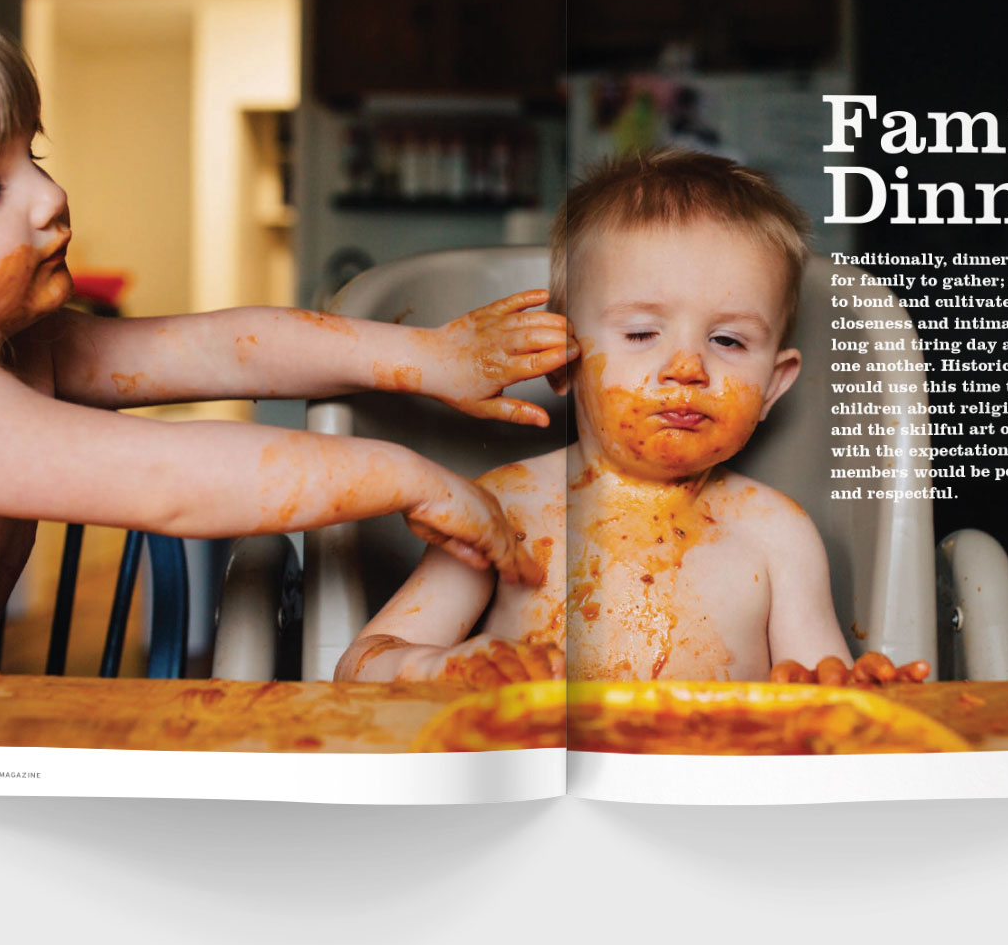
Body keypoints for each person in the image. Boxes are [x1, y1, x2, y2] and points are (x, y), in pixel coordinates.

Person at [0, 0, 575, 673]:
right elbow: (169, 481)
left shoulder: (20, 349)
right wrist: (413, 479)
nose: (48, 194)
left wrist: (429, 356)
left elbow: (223, 347)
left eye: (34, 154)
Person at [335, 148, 927, 687]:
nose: (687, 367)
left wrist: (846, 690)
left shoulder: (778, 535)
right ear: (563, 362)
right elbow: (360, 665)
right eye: (642, 332)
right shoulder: (504, 510)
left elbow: (820, 690)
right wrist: (437, 663)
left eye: (728, 341)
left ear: (772, 386)